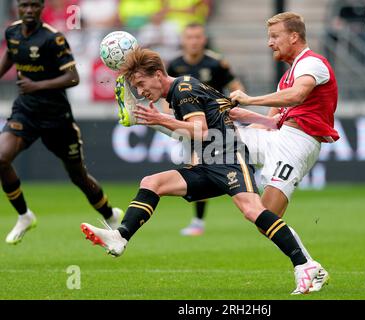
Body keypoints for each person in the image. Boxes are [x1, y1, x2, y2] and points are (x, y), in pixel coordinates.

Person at [80, 47, 323, 295]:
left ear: (157, 74)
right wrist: (267, 122)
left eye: (141, 83)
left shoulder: (183, 90)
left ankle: (305, 264)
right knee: (152, 182)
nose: (141, 91)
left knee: (253, 211)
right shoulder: (182, 90)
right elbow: (223, 109)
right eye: (136, 87)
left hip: (228, 157)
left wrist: (159, 120)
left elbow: (201, 131)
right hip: (207, 162)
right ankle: (120, 237)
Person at [228, 12, 339, 291]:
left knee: (266, 213)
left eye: (275, 36)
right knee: (218, 142)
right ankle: (159, 122)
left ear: (294, 36)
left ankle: (309, 267)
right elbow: (272, 122)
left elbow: (299, 95)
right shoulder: (286, 77)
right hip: (279, 138)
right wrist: (247, 115)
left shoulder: (313, 63)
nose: (269, 43)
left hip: (298, 144)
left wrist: (251, 98)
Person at [0, 0, 123, 245]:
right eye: (24, 5)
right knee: (1, 158)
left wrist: (37, 85)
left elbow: (73, 77)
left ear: (42, 7)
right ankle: (25, 215)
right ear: (17, 7)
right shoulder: (12, 31)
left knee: (78, 176)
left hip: (57, 118)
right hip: (25, 111)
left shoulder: (52, 39)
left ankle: (110, 215)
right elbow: (9, 59)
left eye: (34, 6)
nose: (29, 11)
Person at [167, 22, 245, 236]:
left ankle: (199, 221)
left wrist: (229, 108)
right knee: (197, 167)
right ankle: (200, 220)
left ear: (204, 39)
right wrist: (167, 118)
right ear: (183, 40)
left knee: (201, 167)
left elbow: (237, 88)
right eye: (189, 37)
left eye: (197, 37)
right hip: (191, 126)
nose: (193, 42)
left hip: (216, 127)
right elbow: (168, 96)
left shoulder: (216, 63)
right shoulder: (174, 65)